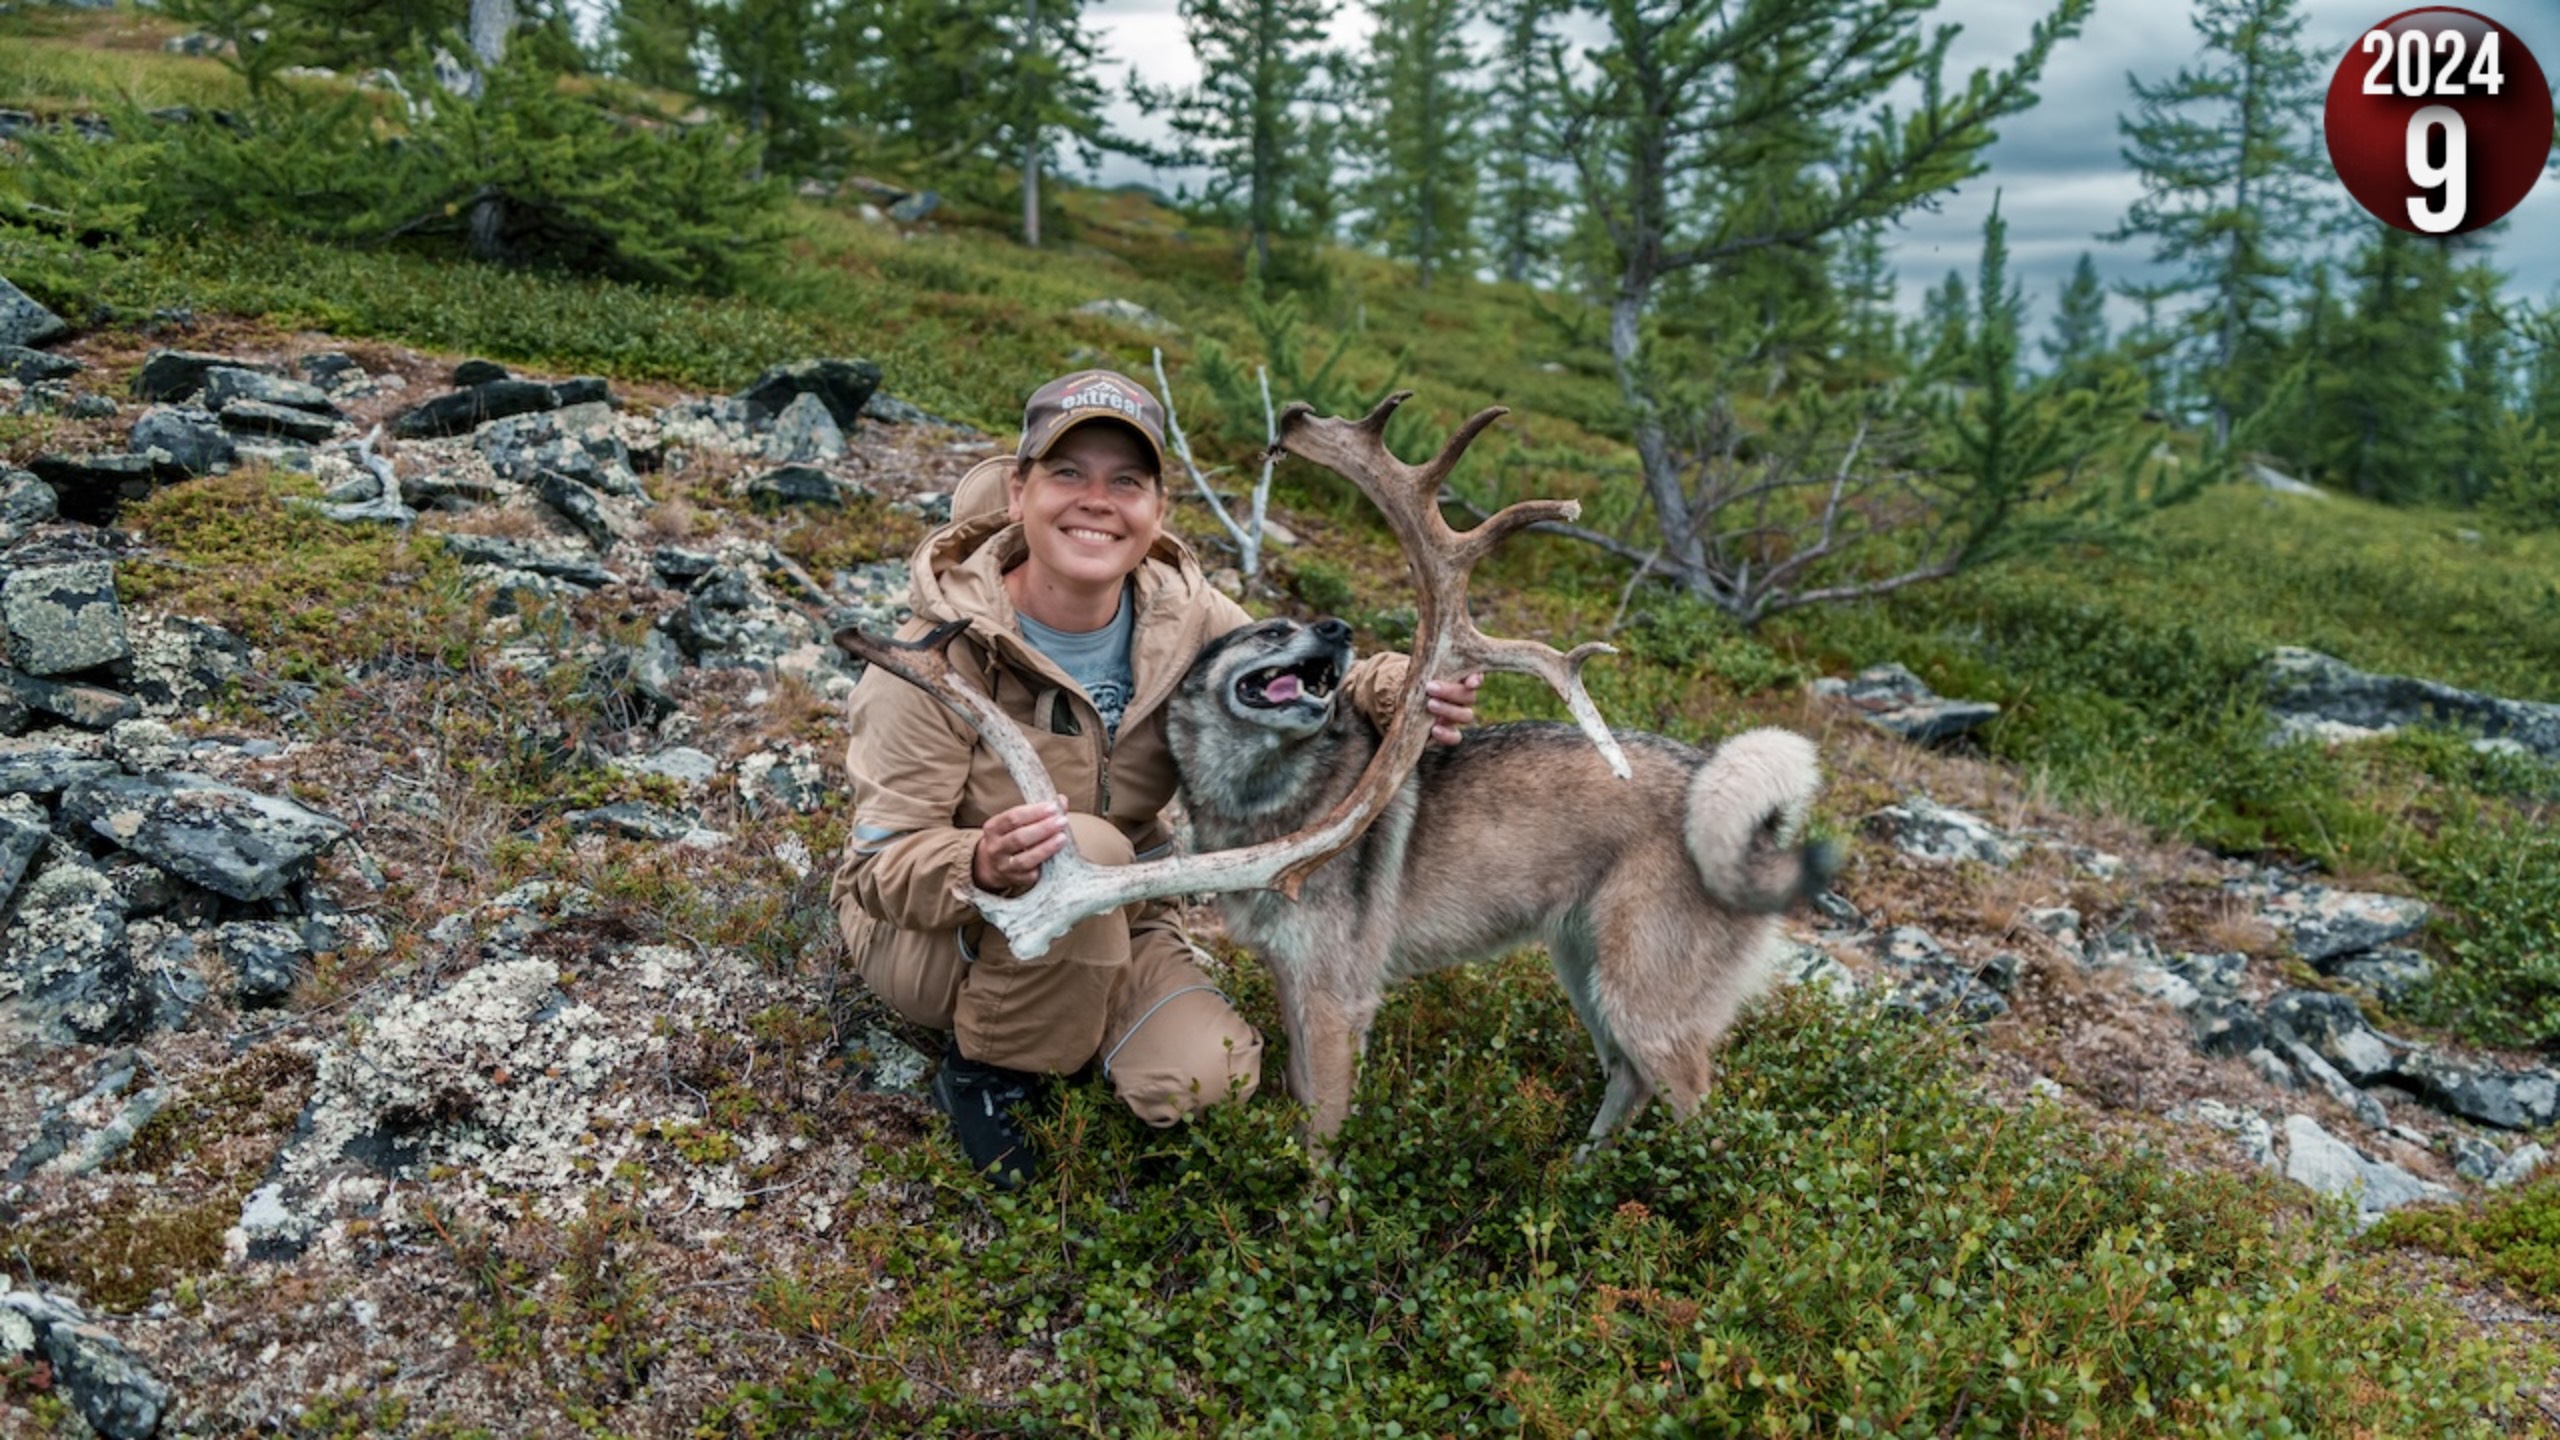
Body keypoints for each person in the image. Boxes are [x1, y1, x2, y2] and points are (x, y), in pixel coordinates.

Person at [831, 368, 1480, 1189]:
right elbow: (879, 867)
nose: (1097, 501)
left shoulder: (1186, 620)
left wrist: (1398, 689)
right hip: (942, 933)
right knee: (1089, 846)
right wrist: (980, 863)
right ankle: (993, 1070)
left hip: (1118, 911)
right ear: (1020, 490)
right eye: (1068, 473)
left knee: (1212, 1075)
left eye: (1126, 481)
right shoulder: (932, 658)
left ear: (1156, 509)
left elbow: (1294, 679)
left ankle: (1080, 1015)